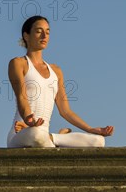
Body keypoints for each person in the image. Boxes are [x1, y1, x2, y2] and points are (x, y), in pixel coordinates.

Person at [6, 15, 114, 148]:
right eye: (39, 31)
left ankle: (55, 137)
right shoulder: (18, 63)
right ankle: (58, 137)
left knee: (98, 141)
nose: (44, 35)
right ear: (26, 36)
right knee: (37, 134)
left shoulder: (56, 71)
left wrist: (90, 129)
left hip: (43, 134)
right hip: (22, 132)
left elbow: (65, 111)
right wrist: (28, 120)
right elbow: (21, 97)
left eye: (47, 32)